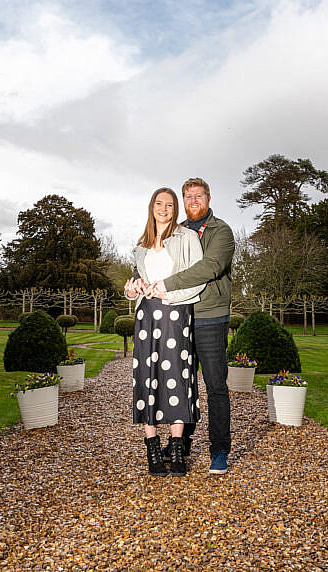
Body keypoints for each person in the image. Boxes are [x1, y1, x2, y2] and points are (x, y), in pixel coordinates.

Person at [149, 177, 235, 475]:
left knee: (215, 386)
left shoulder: (221, 231)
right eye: (188, 197)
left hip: (210, 315)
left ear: (208, 199)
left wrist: (168, 284)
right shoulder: (176, 231)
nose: (193, 201)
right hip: (179, 315)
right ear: (183, 201)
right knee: (182, 385)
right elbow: (159, 262)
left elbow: (209, 268)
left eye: (199, 196)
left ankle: (220, 450)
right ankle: (180, 445)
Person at [123, 187, 206, 477]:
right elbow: (138, 280)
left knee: (177, 379)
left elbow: (198, 279)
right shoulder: (141, 244)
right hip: (147, 318)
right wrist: (131, 288)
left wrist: (170, 294)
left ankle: (178, 448)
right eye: (159, 203)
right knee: (148, 379)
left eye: (170, 204)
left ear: (175, 209)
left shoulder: (188, 238)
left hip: (175, 315)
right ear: (152, 207)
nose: (164, 208)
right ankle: (153, 449)